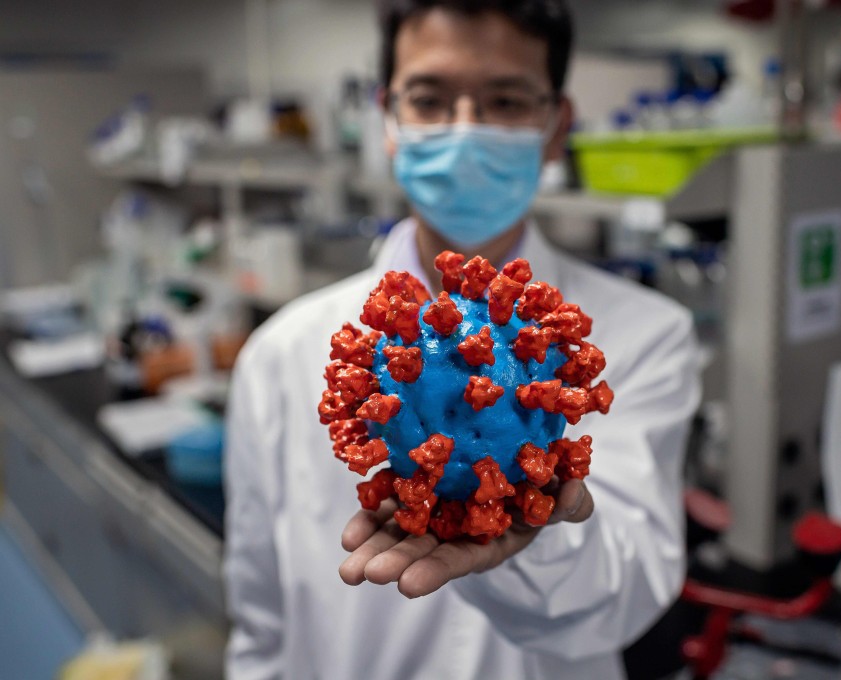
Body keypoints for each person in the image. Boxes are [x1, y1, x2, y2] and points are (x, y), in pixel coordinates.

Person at [223, 2, 701, 679]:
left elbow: (635, 587)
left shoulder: (643, 336)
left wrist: (537, 540)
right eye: (430, 98)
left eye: (505, 100)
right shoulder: (282, 353)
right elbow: (260, 612)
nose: (465, 130)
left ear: (556, 127)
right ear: (388, 121)